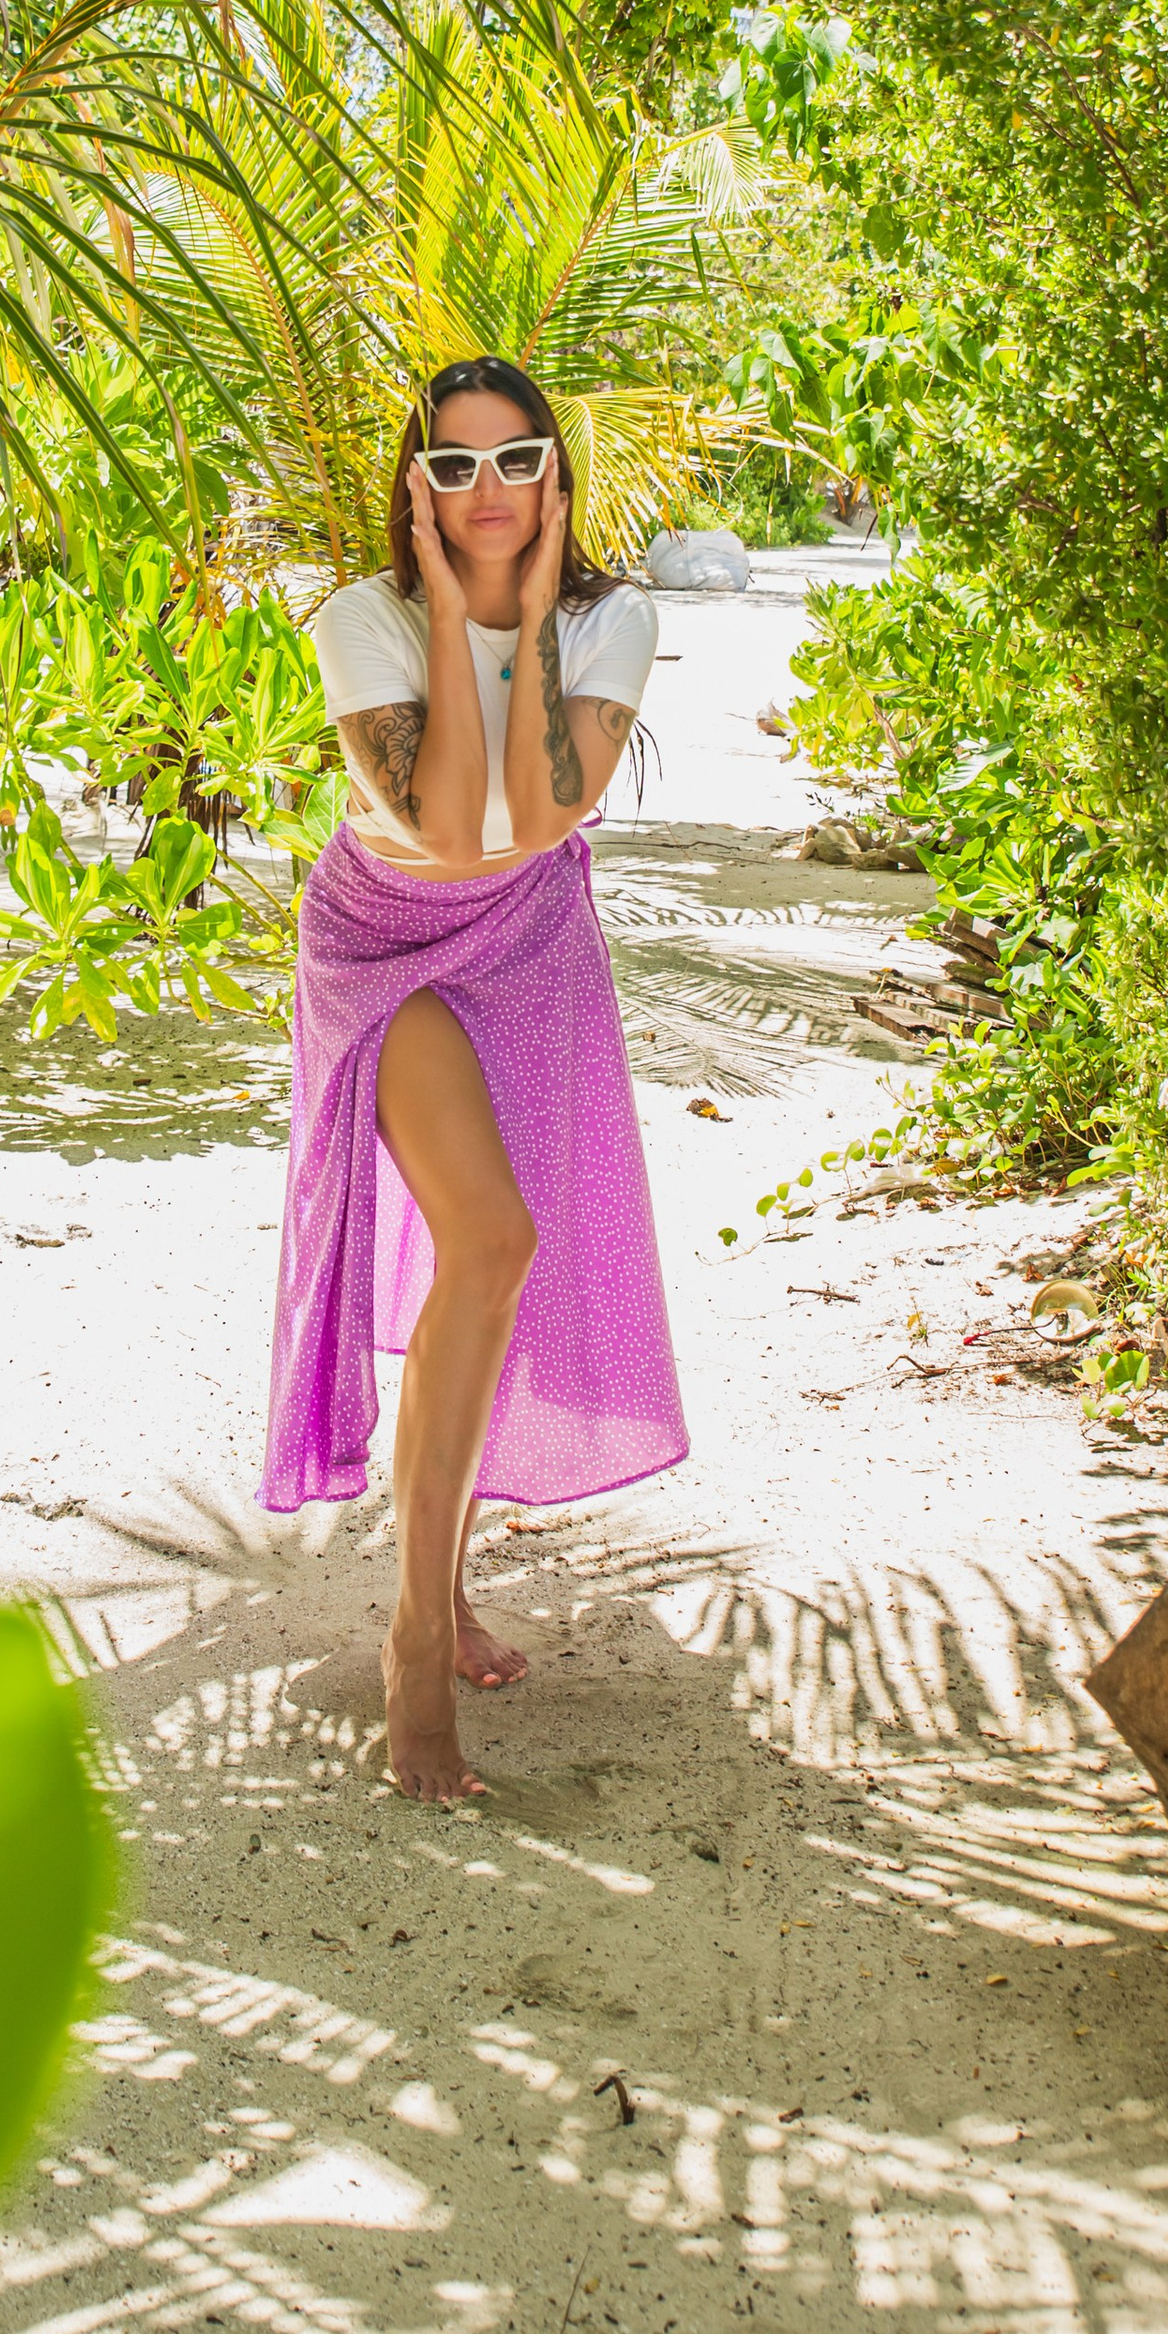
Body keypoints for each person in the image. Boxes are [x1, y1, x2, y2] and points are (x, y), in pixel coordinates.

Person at [261, 355, 687, 1800]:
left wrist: (532, 608)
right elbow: (449, 833)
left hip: (533, 937)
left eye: (519, 463)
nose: (489, 494)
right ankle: (412, 1639)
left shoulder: (613, 617)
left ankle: (440, 1586)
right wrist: (451, 615)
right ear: (416, 486)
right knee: (492, 1237)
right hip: (386, 939)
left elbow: (549, 812)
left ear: (556, 474)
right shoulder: (358, 621)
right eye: (454, 467)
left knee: (501, 1267)